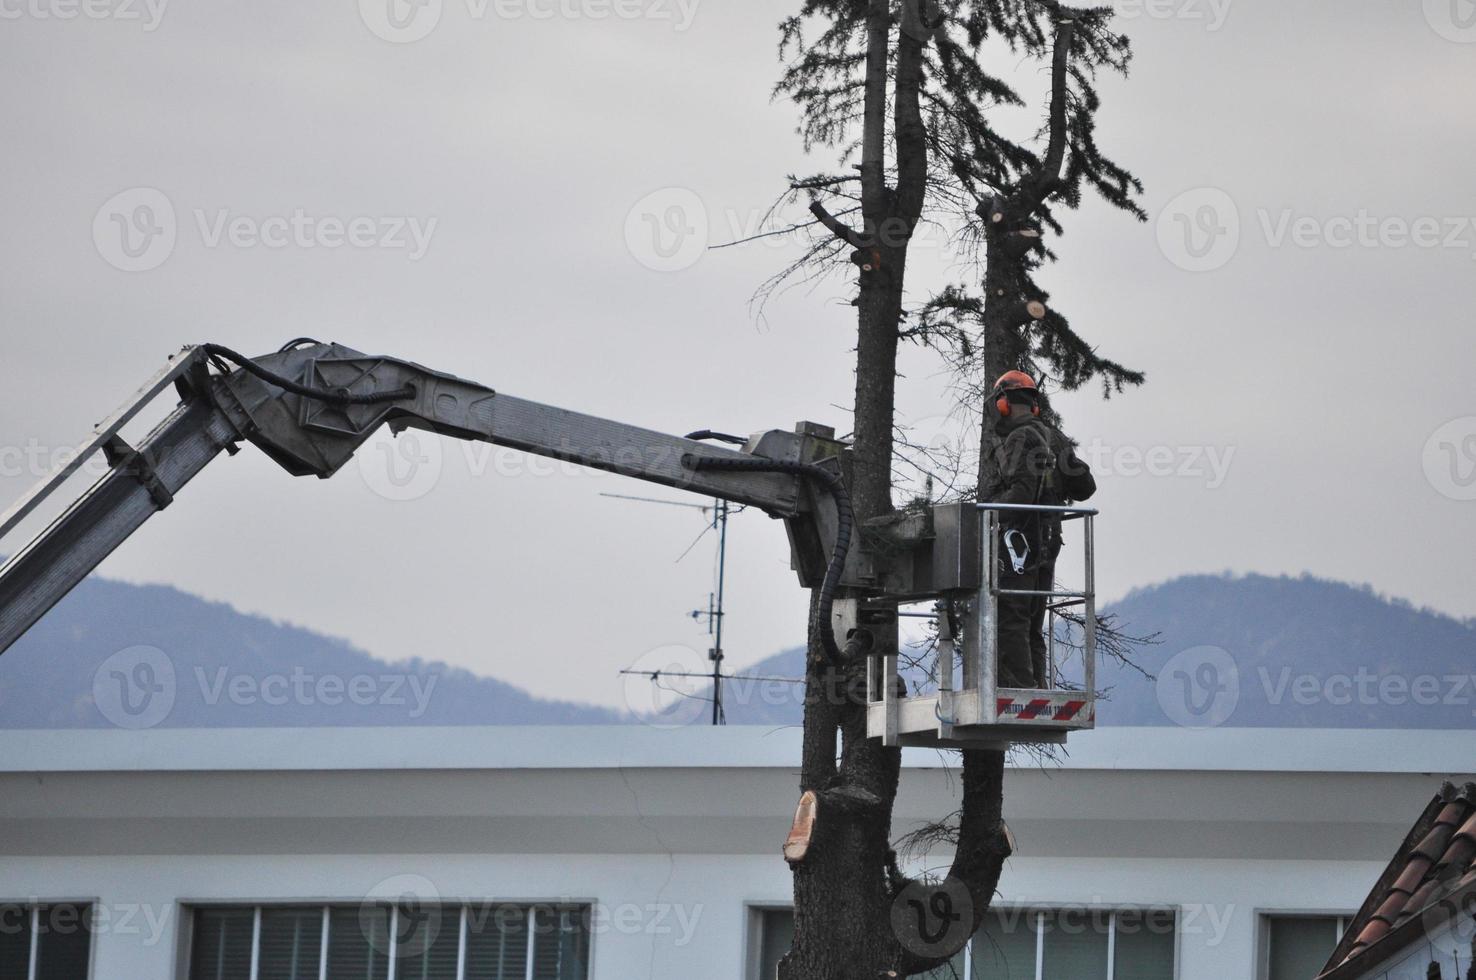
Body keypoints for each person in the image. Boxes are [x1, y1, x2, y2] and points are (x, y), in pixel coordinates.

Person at [983, 371, 1096, 689]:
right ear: (1032, 403)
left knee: (1011, 615)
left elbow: (1020, 495)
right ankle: (1035, 686)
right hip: (1050, 539)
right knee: (1032, 617)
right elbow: (1086, 487)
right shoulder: (1054, 437)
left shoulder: (1019, 438)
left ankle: (1019, 686)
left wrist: (988, 514)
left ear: (1003, 404)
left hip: (1021, 540)